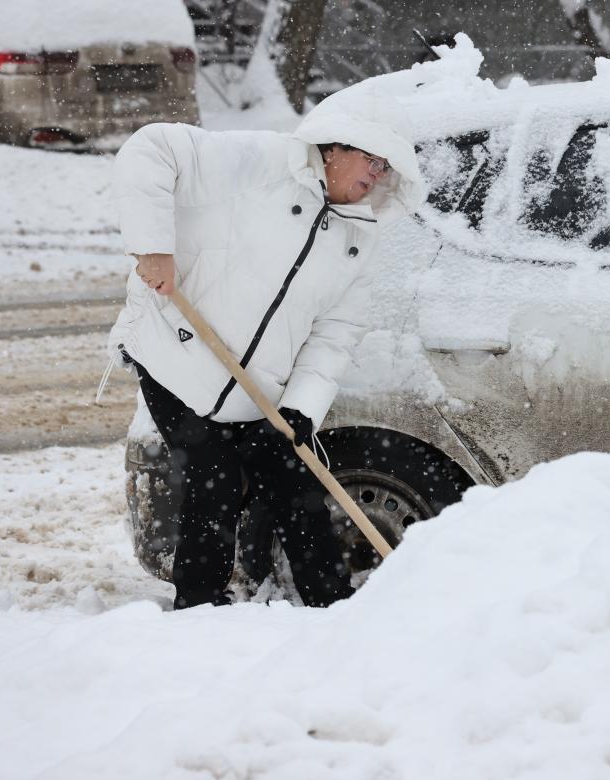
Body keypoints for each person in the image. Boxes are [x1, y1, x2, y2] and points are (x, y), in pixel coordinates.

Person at [103, 97, 425, 610]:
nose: (378, 175)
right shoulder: (259, 161)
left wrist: (302, 405)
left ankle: (333, 609)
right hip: (175, 352)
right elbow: (152, 148)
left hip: (258, 390)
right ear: (337, 147)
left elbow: (334, 335)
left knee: (297, 485)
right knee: (215, 480)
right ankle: (199, 611)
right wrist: (153, 247)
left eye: (386, 168)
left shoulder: (358, 240)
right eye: (374, 160)